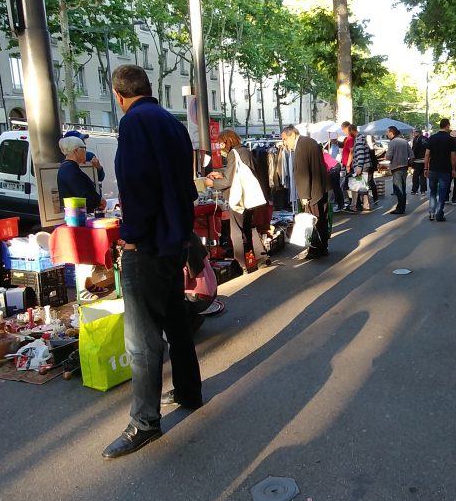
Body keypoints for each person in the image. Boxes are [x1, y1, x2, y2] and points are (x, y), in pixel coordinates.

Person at [102, 65, 202, 460]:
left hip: (148, 244)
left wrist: (131, 234)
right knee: (176, 320)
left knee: (142, 340)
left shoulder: (134, 123)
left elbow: (137, 184)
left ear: (118, 94)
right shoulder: (172, 124)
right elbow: (184, 187)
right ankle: (189, 391)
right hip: (173, 240)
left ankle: (144, 421)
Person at [205, 129, 268, 274]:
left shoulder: (234, 154)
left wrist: (211, 183)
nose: (220, 147)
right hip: (250, 198)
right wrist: (222, 174)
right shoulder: (245, 151)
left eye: (221, 143)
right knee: (246, 230)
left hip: (240, 199)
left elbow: (229, 181)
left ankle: (242, 265)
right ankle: (251, 262)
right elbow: (239, 175)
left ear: (227, 141)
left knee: (237, 233)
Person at [281, 125, 331, 258]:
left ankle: (315, 249)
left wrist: (304, 195)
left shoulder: (301, 146)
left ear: (292, 135)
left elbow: (302, 173)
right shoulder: (310, 141)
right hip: (321, 187)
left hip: (312, 191)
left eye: (285, 139)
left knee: (312, 220)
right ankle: (323, 247)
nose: (285, 143)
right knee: (322, 219)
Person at [57, 136, 103, 210]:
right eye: (84, 148)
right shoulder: (70, 169)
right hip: (78, 215)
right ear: (75, 151)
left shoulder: (68, 167)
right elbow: (83, 194)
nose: (85, 151)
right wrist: (99, 201)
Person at [425, 118, 456, 222]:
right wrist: (453, 169)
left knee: (433, 192)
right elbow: (453, 156)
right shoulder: (451, 139)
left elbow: (427, 154)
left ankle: (431, 213)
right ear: (447, 125)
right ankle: (439, 214)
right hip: (445, 170)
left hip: (433, 169)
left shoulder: (432, 138)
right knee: (443, 193)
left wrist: (426, 168)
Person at [385, 125, 411, 214]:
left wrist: (386, 156)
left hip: (396, 167)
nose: (387, 134)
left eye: (387, 132)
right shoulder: (404, 142)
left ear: (391, 133)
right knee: (402, 188)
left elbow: (388, 156)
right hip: (404, 167)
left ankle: (400, 208)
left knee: (399, 189)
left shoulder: (392, 143)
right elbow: (411, 155)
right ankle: (402, 206)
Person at [350, 128, 374, 211]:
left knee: (355, 187)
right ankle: (366, 204)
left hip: (361, 166)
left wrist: (359, 166)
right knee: (363, 186)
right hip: (366, 165)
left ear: (351, 131)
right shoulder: (362, 138)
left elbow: (360, 154)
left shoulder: (359, 139)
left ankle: (354, 206)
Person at [340, 122, 356, 211]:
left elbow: (351, 152)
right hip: (347, 164)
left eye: (343, 129)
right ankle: (350, 202)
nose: (343, 131)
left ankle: (350, 203)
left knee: (346, 185)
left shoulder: (350, 139)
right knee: (346, 185)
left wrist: (348, 165)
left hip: (349, 165)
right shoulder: (349, 139)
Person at [411, 131, 429, 195]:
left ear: (418, 133)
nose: (414, 134)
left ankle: (414, 190)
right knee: (423, 175)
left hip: (417, 160)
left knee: (415, 176)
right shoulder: (426, 139)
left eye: (414, 133)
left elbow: (414, 149)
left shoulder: (416, 139)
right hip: (424, 160)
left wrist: (412, 159)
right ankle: (423, 190)